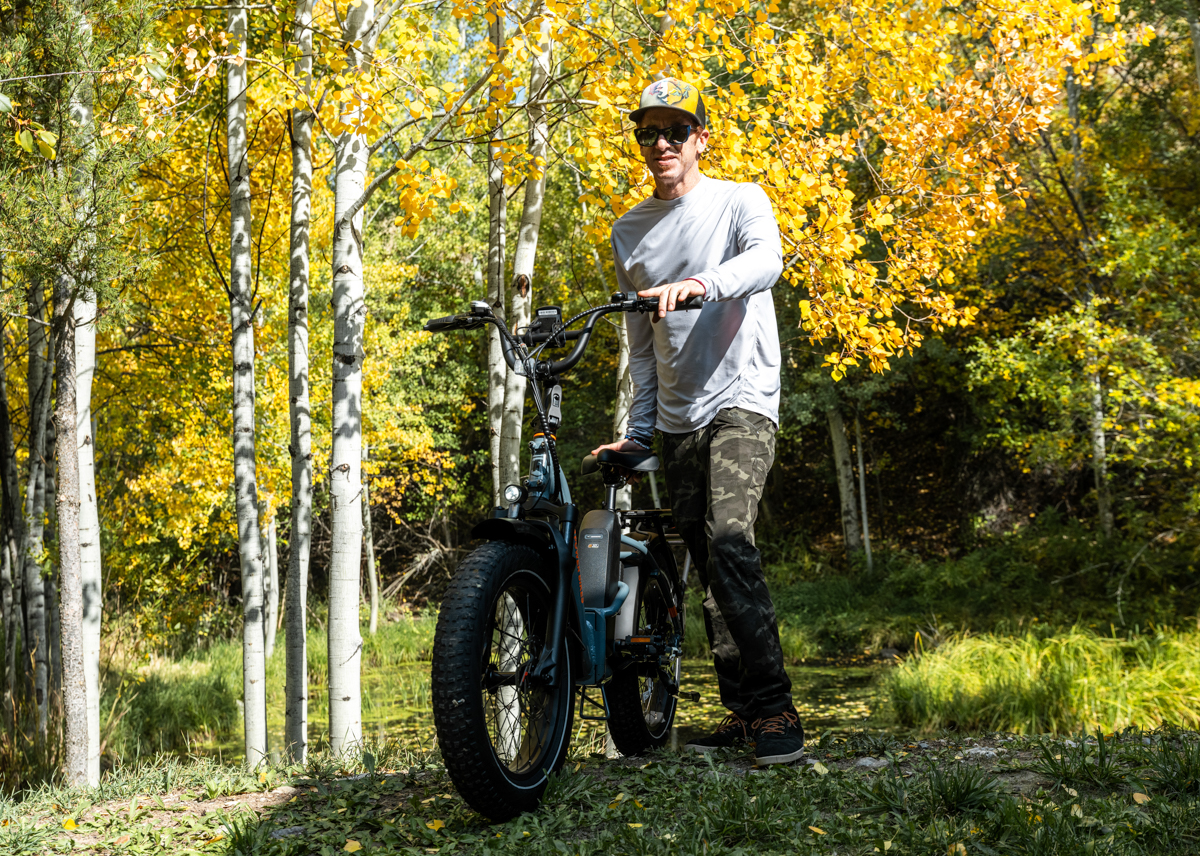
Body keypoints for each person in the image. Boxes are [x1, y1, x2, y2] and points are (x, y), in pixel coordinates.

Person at [590, 78, 804, 766]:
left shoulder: (740, 199)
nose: (660, 144)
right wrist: (639, 430)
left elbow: (767, 262)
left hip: (742, 398)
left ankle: (776, 712)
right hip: (678, 416)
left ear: (700, 139)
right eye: (648, 133)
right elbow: (642, 349)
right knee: (709, 567)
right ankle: (744, 715)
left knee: (730, 538)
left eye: (674, 132)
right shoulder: (629, 230)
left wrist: (701, 283)